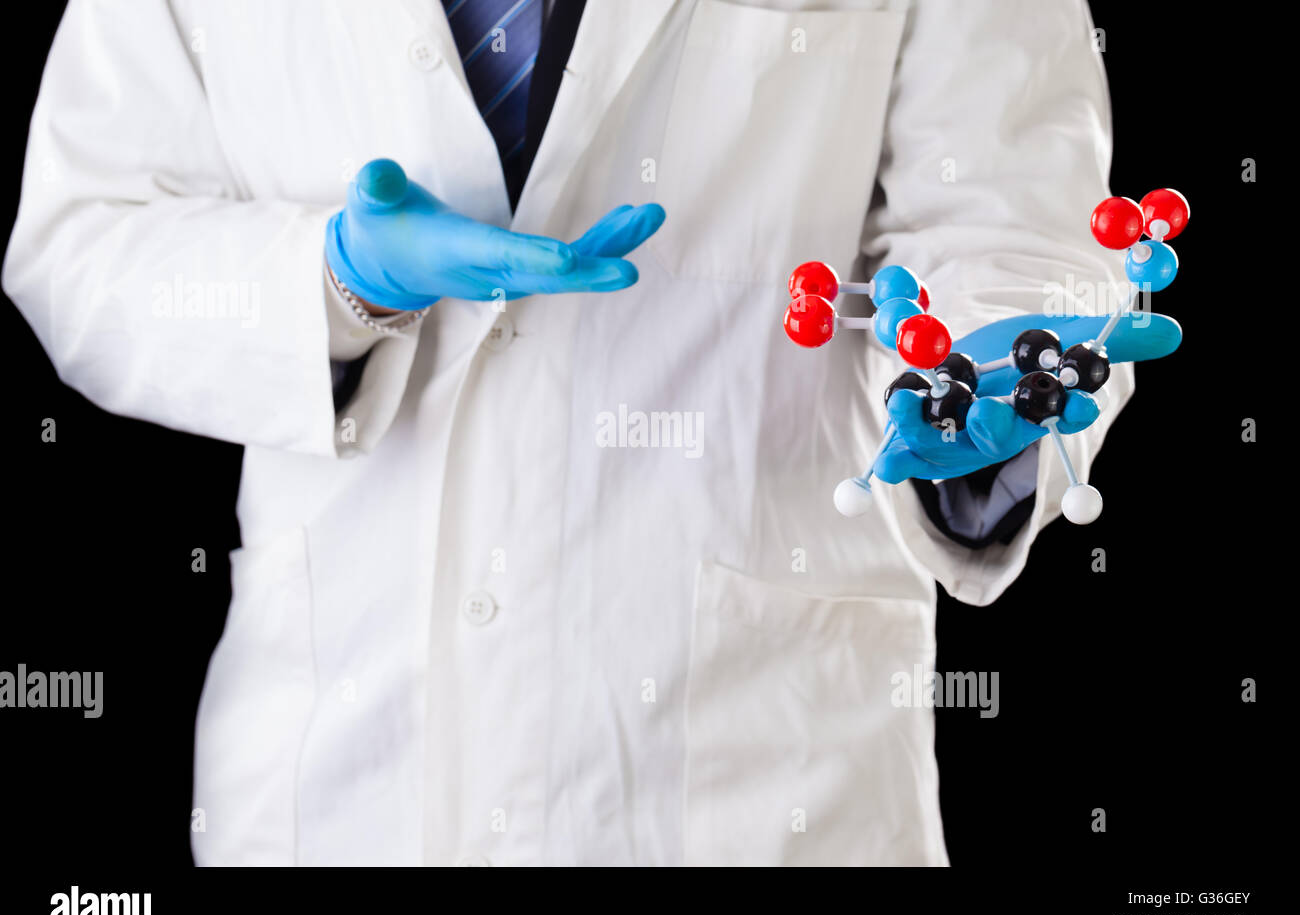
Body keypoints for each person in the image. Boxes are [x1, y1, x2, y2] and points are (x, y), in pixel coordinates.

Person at [4, 0, 1160, 865]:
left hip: (761, 785)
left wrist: (995, 392)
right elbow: (83, 240)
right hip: (341, 787)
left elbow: (1007, 219)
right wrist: (333, 282)